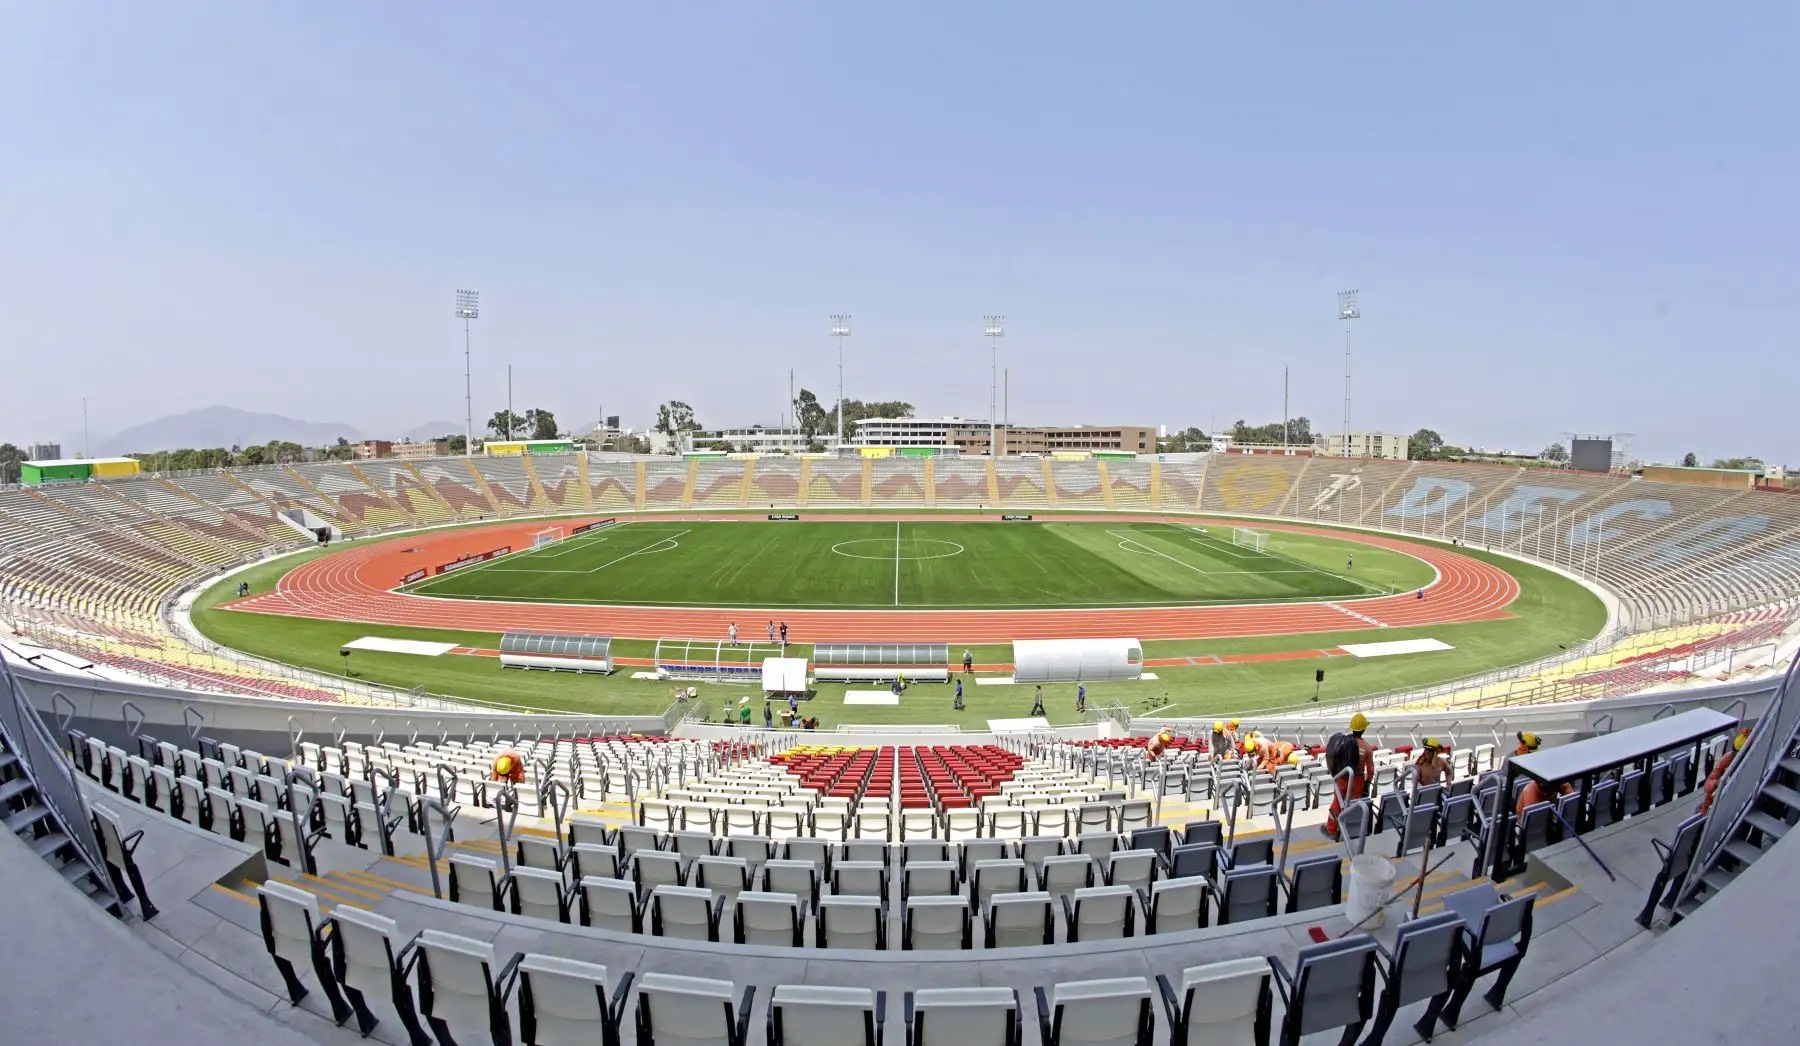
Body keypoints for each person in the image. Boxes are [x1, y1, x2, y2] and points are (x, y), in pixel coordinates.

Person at [1324, 713, 1376, 840]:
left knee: (1337, 803)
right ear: (1364, 729)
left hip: (1342, 778)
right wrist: (1368, 782)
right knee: (1353, 805)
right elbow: (1370, 769)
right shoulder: (1367, 748)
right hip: (1358, 781)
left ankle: (1331, 830)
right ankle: (1350, 830)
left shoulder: (1343, 743)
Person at [1699, 728, 1752, 815]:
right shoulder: (1728, 758)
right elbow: (1707, 785)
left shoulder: (1752, 766)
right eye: (1735, 753)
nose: (1736, 758)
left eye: (1740, 755)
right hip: (1713, 804)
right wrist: (1717, 783)